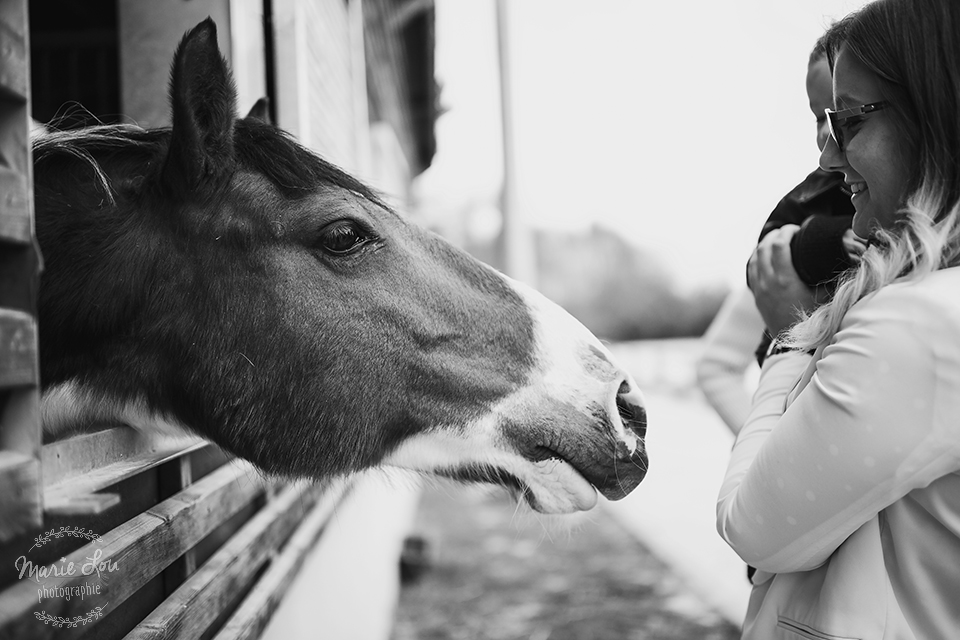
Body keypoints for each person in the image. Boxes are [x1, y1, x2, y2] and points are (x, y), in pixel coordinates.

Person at [717, 1, 960, 638]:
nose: (828, 159)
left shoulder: (916, 328)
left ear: (935, 116)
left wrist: (794, 339)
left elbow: (751, 528)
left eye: (847, 120)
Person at [697, 35, 861, 435]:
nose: (829, 133)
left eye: (848, 115)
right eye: (819, 116)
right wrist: (761, 447)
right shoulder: (800, 216)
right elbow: (715, 364)